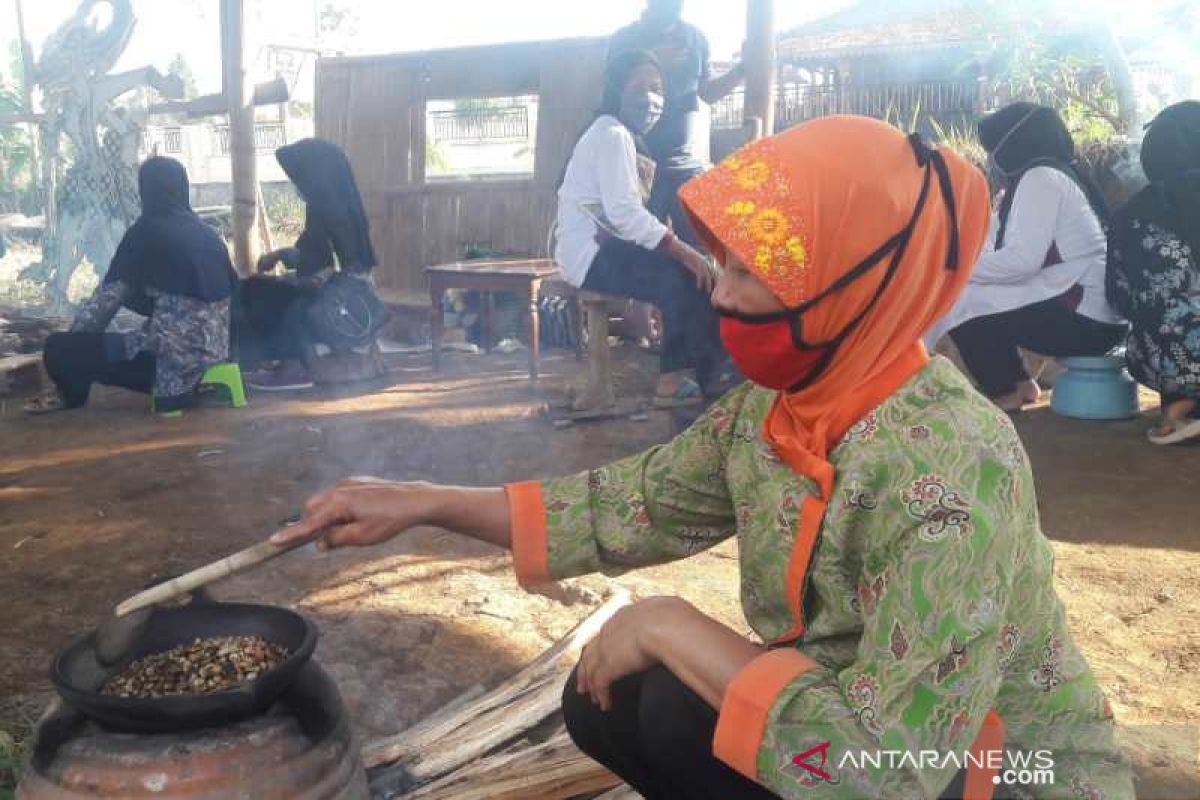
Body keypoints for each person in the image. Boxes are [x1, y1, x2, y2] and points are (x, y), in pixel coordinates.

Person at [273, 117, 1132, 800]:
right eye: (722, 264)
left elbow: (891, 772)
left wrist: (669, 623)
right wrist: (419, 499)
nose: (719, 292)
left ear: (853, 281)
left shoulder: (954, 470)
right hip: (850, 726)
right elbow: (622, 503)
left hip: (998, 770)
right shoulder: (779, 408)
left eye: (751, 274)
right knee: (615, 702)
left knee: (673, 690)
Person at [556, 49, 735, 403]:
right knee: (685, 275)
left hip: (601, 248)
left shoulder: (618, 134)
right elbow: (624, 213)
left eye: (658, 89)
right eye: (639, 87)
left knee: (689, 271)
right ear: (616, 89)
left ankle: (710, 371)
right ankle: (681, 380)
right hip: (590, 256)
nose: (651, 98)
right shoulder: (612, 134)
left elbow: (622, 216)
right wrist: (682, 250)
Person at [929, 103, 1127, 411]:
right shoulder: (1047, 176)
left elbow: (1021, 262)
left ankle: (1005, 390)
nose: (991, 158)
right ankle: (1019, 385)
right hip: (1095, 314)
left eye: (993, 149)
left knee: (958, 296)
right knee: (969, 289)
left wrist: (949, 266)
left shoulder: (1042, 178)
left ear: (1014, 145)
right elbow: (994, 246)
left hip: (1086, 321)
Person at [25, 157, 237, 414]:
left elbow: (103, 305)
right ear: (183, 188)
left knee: (60, 348)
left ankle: (70, 395)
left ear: (145, 191)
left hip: (168, 369)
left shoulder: (144, 231)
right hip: (215, 354)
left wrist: (76, 343)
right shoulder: (208, 234)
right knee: (136, 328)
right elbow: (227, 292)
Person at [239, 137, 384, 391]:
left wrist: (296, 281)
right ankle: (280, 360)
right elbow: (313, 257)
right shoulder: (327, 206)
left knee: (267, 296)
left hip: (345, 305)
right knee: (259, 287)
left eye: (300, 176)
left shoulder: (338, 216)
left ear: (316, 176)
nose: (297, 183)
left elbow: (343, 277)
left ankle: (294, 368)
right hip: (334, 291)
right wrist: (281, 256)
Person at [608, 0, 744, 248]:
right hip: (639, 165)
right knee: (642, 249)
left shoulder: (694, 38)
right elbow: (610, 98)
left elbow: (707, 93)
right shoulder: (624, 40)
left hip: (686, 166)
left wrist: (741, 71)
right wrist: (653, 60)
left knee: (703, 249)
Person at [1107, 101, 1200, 444]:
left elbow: (1118, 298)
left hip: (1154, 363)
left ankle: (1182, 403)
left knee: (1166, 323)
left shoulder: (1127, 214)